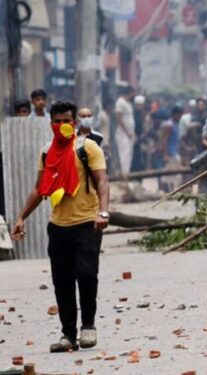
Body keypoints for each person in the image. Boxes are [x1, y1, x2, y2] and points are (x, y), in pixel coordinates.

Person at [12, 101, 110, 352]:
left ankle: (88, 325)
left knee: (87, 275)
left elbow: (102, 182)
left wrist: (103, 211)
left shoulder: (88, 148)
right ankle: (68, 334)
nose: (62, 125)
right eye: (57, 121)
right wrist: (22, 217)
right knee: (62, 281)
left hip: (87, 222)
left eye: (67, 120)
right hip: (58, 226)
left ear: (74, 123)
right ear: (51, 124)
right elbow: (39, 188)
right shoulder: (46, 151)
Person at [114, 87, 136, 175]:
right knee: (124, 154)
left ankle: (127, 173)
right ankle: (124, 174)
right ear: (129, 92)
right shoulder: (120, 102)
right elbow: (119, 119)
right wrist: (127, 132)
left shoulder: (129, 104)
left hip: (130, 133)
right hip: (123, 133)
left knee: (129, 155)